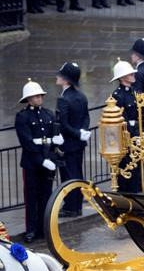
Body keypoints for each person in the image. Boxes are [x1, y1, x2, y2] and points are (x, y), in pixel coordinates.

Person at [14, 80, 64, 243]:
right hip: (32, 164)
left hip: (47, 161)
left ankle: (44, 229)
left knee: (46, 196)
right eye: (35, 96)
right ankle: (31, 230)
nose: (39, 98)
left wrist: (57, 140)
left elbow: (50, 139)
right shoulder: (22, 117)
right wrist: (41, 160)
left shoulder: (48, 114)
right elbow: (27, 142)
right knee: (32, 197)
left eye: (40, 95)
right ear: (28, 99)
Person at [56, 62, 90, 218]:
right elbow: (86, 117)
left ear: (66, 80)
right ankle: (77, 204)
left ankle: (71, 207)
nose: (58, 77)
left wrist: (77, 133)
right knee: (77, 173)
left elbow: (63, 124)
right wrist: (83, 131)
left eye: (60, 75)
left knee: (69, 175)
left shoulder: (63, 99)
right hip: (79, 143)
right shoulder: (81, 96)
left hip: (68, 144)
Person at [110, 60, 142, 193]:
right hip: (126, 137)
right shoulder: (117, 95)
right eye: (129, 74)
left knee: (137, 166)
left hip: (137, 134)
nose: (133, 76)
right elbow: (120, 117)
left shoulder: (134, 92)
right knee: (127, 165)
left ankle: (136, 189)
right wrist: (131, 127)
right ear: (123, 77)